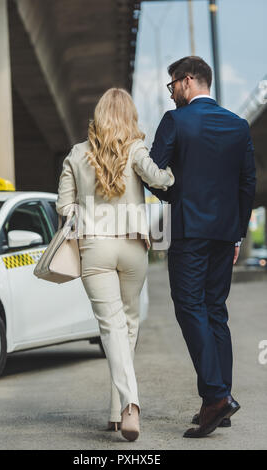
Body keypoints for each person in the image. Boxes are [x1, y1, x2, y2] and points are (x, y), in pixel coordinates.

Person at [143, 56, 256, 438]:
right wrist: (237, 233)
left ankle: (216, 397)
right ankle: (220, 403)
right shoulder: (238, 126)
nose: (171, 91)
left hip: (189, 230)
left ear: (188, 80)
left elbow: (154, 173)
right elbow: (247, 184)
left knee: (190, 307)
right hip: (226, 232)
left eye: (172, 84)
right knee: (215, 311)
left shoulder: (176, 120)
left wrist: (177, 194)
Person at [56, 88, 174, 442]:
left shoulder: (77, 154)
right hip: (133, 246)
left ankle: (126, 407)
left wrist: (87, 216)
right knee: (128, 324)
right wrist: (173, 175)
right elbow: (159, 179)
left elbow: (65, 206)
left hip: (95, 248)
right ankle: (121, 410)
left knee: (110, 328)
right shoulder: (136, 150)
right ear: (129, 117)